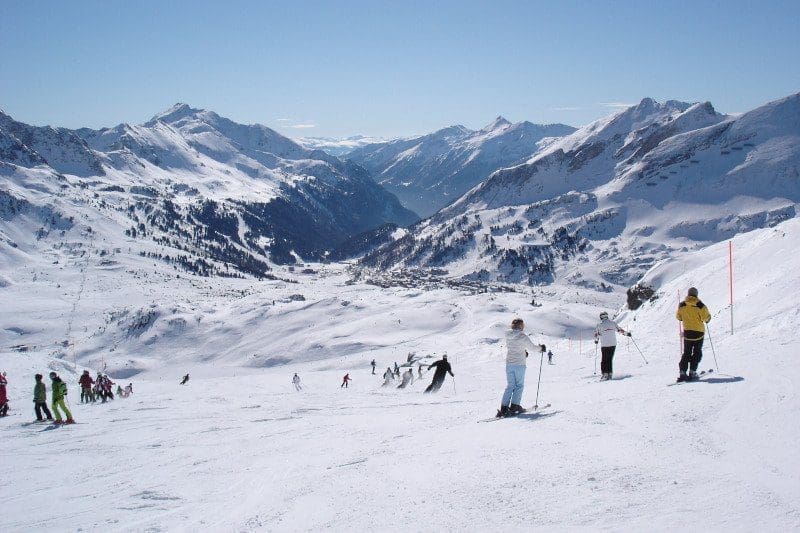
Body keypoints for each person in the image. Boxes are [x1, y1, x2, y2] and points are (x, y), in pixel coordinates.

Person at [497, 318, 545, 417]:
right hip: (519, 365)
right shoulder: (522, 336)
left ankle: (504, 408)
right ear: (520, 326)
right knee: (519, 385)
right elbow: (532, 348)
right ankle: (514, 406)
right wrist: (541, 348)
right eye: (522, 326)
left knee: (510, 386)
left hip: (509, 364)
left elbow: (515, 347)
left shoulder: (508, 335)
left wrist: (523, 353)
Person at [676, 287, 711, 382]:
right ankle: (692, 371)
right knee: (697, 352)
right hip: (698, 333)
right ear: (696, 294)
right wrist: (708, 319)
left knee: (686, 353)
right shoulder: (700, 305)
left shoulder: (682, 305)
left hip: (687, 333)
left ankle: (682, 372)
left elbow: (678, 317)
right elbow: (706, 318)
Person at [593, 312, 630, 381]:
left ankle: (605, 374)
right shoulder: (612, 323)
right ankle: (609, 373)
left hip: (605, 344)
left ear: (601, 317)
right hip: (613, 344)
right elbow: (619, 330)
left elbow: (596, 334)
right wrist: (627, 334)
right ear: (607, 316)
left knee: (604, 360)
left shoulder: (599, 325)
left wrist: (596, 340)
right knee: (609, 359)